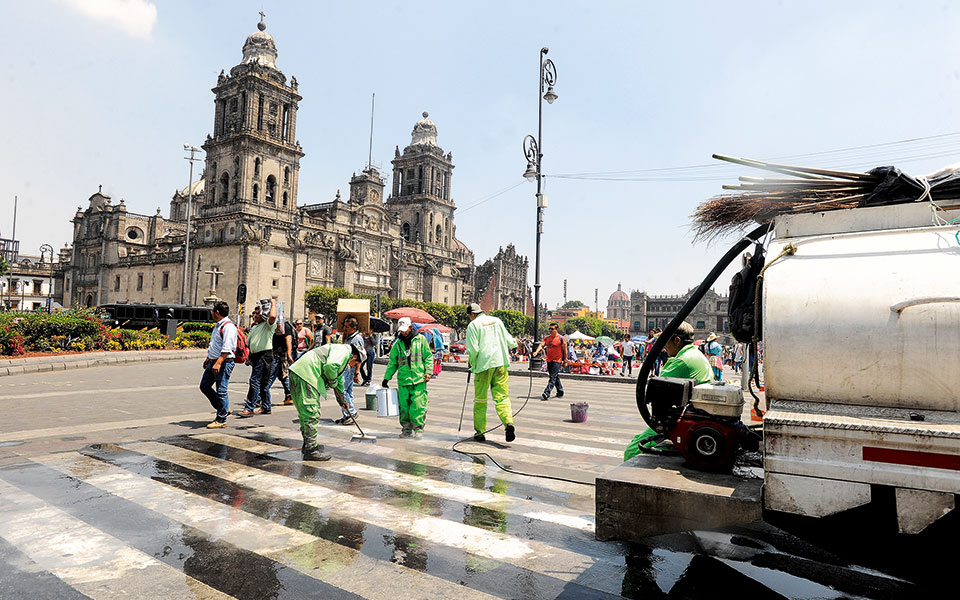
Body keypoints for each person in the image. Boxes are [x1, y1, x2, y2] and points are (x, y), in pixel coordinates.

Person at [624, 321, 712, 461]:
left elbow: (656, 388)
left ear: (677, 340)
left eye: (666, 341)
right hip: (695, 414)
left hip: (681, 419)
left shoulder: (681, 361)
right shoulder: (695, 353)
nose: (664, 346)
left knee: (632, 450)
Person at [289, 343, 366, 461]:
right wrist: (333, 383)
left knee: (306, 413)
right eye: (355, 364)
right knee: (311, 412)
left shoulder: (342, 356)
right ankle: (311, 450)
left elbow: (339, 380)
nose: (352, 367)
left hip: (300, 373)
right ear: (355, 357)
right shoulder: (343, 351)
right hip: (307, 374)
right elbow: (330, 367)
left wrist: (342, 400)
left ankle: (309, 444)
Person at [465, 303, 517, 442]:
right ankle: (508, 423)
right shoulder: (497, 321)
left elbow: (473, 349)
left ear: (471, 314)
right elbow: (511, 341)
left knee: (480, 400)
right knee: (502, 397)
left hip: (483, 366)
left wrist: (471, 362)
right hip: (500, 363)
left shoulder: (473, 325)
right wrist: (515, 343)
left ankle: (480, 432)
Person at [381, 317, 433, 439]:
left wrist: (428, 371)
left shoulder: (421, 340)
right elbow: (393, 363)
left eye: (405, 330)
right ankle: (406, 429)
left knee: (418, 406)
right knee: (404, 407)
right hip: (404, 381)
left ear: (410, 327)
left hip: (419, 380)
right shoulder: (397, 344)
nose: (403, 332)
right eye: (401, 330)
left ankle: (418, 429)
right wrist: (386, 378)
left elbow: (428, 357)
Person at [199, 301, 237, 429]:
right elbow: (215, 345)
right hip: (213, 361)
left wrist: (219, 362)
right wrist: (208, 359)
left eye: (213, 311)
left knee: (221, 390)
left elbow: (227, 348)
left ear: (217, 312)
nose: (211, 313)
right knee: (204, 386)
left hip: (224, 362)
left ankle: (221, 419)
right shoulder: (218, 326)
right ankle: (223, 408)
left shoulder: (228, 327)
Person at [239, 300, 276, 417]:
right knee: (263, 384)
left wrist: (273, 304)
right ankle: (266, 406)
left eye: (257, 313)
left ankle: (249, 408)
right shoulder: (255, 327)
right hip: (255, 356)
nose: (255, 315)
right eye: (254, 313)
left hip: (264, 355)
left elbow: (273, 316)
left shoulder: (268, 325)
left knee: (254, 381)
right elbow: (248, 343)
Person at [336, 315, 364, 424]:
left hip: (349, 368)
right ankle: (347, 415)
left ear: (354, 328)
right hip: (345, 367)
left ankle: (351, 413)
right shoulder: (348, 337)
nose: (345, 328)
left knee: (341, 390)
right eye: (344, 326)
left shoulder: (357, 339)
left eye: (347, 327)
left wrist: (356, 373)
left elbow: (359, 357)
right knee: (348, 392)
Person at [533, 322, 566, 401]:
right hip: (549, 360)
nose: (550, 330)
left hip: (557, 360)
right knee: (554, 376)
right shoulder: (547, 338)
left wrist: (565, 361)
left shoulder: (561, 338)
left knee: (552, 377)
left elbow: (565, 351)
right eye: (549, 329)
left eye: (552, 329)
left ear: (557, 329)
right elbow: (541, 345)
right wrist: (536, 352)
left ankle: (547, 393)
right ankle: (560, 391)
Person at [267, 316, 295, 406]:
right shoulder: (275, 325)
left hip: (279, 355)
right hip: (277, 354)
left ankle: (259, 397)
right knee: (283, 376)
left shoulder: (285, 325)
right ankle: (289, 396)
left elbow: (288, 340)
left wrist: (289, 354)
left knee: (270, 376)